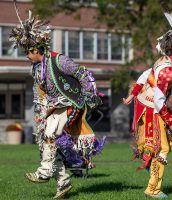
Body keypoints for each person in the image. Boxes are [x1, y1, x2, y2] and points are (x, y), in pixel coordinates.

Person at [10, 7, 105, 199]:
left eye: (28, 52)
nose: (26, 56)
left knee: (51, 134)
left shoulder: (59, 60)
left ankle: (44, 172)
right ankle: (63, 182)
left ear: (37, 50)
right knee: (47, 142)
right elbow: (40, 91)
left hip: (72, 102)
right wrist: (41, 110)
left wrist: (89, 95)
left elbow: (82, 74)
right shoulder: (36, 69)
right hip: (53, 106)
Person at [123, 11, 172, 199]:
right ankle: (153, 189)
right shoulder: (167, 70)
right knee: (163, 148)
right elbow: (159, 100)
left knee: (165, 144)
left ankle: (149, 162)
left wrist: (133, 94)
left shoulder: (162, 61)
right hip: (153, 108)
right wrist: (171, 121)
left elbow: (145, 75)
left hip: (147, 105)